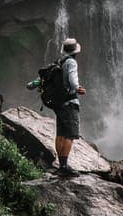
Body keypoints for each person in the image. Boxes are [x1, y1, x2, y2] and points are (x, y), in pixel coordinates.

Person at [27, 37, 86, 176]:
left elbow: (42, 79)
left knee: (60, 134)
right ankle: (64, 167)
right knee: (70, 135)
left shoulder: (58, 62)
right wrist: (78, 88)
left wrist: (31, 85)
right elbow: (72, 80)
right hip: (69, 103)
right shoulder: (71, 62)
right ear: (75, 51)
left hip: (58, 104)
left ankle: (61, 166)